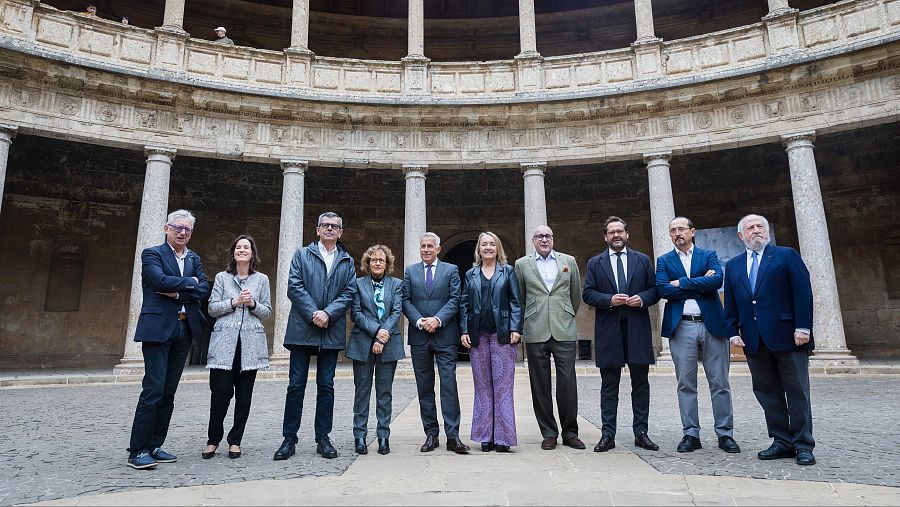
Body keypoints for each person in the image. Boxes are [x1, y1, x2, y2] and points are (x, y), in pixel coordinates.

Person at [723, 214, 817, 466]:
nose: (756, 231)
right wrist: (732, 332)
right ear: (741, 235)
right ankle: (781, 440)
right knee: (767, 392)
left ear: (767, 231)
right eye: (750, 228)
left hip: (789, 336)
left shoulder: (786, 255)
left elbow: (803, 293)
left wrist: (803, 328)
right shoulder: (733, 265)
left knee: (797, 391)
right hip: (754, 339)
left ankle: (803, 444)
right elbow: (732, 303)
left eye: (760, 226)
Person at [126, 209, 209, 469]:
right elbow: (158, 280)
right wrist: (189, 284)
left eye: (187, 229)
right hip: (157, 328)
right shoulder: (152, 253)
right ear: (166, 228)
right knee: (153, 389)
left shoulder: (194, 258)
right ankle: (138, 450)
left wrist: (177, 291)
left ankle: (155, 444)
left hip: (184, 330)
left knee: (169, 392)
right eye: (178, 227)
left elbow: (204, 288)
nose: (182, 232)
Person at [274, 212, 357, 461]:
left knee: (327, 385)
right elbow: (294, 286)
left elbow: (349, 291)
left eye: (335, 226)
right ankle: (289, 438)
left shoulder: (347, 260)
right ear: (317, 230)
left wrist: (328, 314)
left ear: (341, 232)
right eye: (325, 225)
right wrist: (314, 313)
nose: (330, 229)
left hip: (330, 329)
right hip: (303, 327)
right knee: (296, 385)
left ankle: (323, 437)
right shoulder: (302, 254)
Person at [655, 217, 741, 454]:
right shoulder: (664, 260)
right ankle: (690, 434)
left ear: (692, 232)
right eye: (672, 230)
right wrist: (700, 283)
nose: (677, 233)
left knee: (720, 383)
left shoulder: (708, 255)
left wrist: (680, 283)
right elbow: (663, 289)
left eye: (681, 229)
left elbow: (716, 281)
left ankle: (725, 434)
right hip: (681, 327)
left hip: (712, 324)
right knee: (685, 384)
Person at [582, 216, 660, 453]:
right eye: (611, 232)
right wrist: (609, 300)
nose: (616, 235)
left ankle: (641, 433)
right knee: (609, 386)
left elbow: (655, 290)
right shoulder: (595, 263)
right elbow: (588, 294)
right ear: (605, 236)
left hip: (637, 329)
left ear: (627, 234)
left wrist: (642, 299)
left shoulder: (642, 260)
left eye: (620, 231)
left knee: (640, 384)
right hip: (609, 332)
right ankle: (608, 435)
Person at [514, 225, 585, 451]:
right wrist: (529, 318)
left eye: (548, 236)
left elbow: (576, 295)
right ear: (533, 240)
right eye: (540, 236)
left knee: (567, 382)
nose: (544, 240)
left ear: (553, 239)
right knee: (540, 385)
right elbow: (520, 297)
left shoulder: (569, 261)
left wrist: (566, 313)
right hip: (535, 329)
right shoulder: (522, 264)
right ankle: (548, 432)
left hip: (563, 328)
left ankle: (571, 432)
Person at [203, 235, 272, 460]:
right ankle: (213, 440)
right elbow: (212, 308)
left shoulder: (262, 280)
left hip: (249, 344)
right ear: (233, 253)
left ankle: (235, 441)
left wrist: (252, 303)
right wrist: (234, 302)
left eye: (247, 247)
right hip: (225, 343)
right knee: (220, 394)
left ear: (252, 254)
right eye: (239, 247)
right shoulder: (222, 278)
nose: (242, 250)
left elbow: (267, 311)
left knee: (244, 397)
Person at [402, 232, 469, 454]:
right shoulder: (410, 271)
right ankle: (431, 434)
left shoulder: (450, 270)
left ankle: (453, 436)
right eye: (423, 246)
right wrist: (420, 321)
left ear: (438, 249)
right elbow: (405, 300)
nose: (426, 250)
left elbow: (455, 299)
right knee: (424, 387)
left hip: (445, 335)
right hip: (419, 336)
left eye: (430, 246)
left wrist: (437, 319)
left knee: (449, 385)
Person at [459, 232, 523, 452]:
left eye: (492, 244)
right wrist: (464, 330)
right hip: (478, 336)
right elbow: (464, 304)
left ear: (498, 248)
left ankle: (503, 438)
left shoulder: (508, 271)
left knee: (503, 387)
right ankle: (485, 435)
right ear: (479, 249)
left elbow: (516, 302)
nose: (488, 248)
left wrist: (516, 328)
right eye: (484, 244)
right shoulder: (471, 274)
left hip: (502, 335)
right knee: (482, 387)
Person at [348, 244, 404, 456]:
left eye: (381, 260)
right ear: (367, 263)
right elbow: (356, 313)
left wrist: (383, 335)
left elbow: (396, 311)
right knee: (361, 391)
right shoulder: (357, 284)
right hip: (362, 342)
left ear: (387, 263)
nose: (377, 263)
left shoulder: (397, 284)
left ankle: (383, 436)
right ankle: (360, 436)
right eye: (373, 260)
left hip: (389, 343)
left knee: (385, 392)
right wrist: (376, 332)